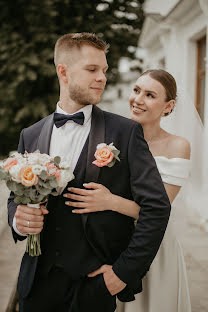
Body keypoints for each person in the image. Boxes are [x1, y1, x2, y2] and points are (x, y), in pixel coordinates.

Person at [8, 34, 171, 312]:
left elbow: (157, 208)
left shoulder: (125, 132)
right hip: (36, 285)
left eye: (104, 70)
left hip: (95, 286)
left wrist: (122, 273)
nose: (102, 78)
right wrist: (17, 220)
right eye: (92, 69)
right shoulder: (30, 134)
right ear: (63, 72)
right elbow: (16, 199)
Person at [65, 69, 192, 312]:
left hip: (154, 242)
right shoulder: (114, 137)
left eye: (150, 95)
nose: (138, 99)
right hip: (113, 240)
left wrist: (109, 201)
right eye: (136, 91)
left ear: (168, 106)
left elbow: (158, 209)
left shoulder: (178, 146)